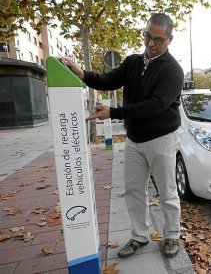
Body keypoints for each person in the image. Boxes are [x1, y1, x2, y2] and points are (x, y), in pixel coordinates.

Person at [61, 13, 184, 258]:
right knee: (134, 190)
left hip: (161, 139)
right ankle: (140, 236)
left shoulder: (173, 70)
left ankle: (172, 235)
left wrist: (113, 112)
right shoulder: (133, 62)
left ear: (169, 40)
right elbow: (107, 80)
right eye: (147, 36)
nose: (150, 43)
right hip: (134, 140)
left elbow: (155, 106)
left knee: (167, 192)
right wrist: (82, 73)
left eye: (158, 40)